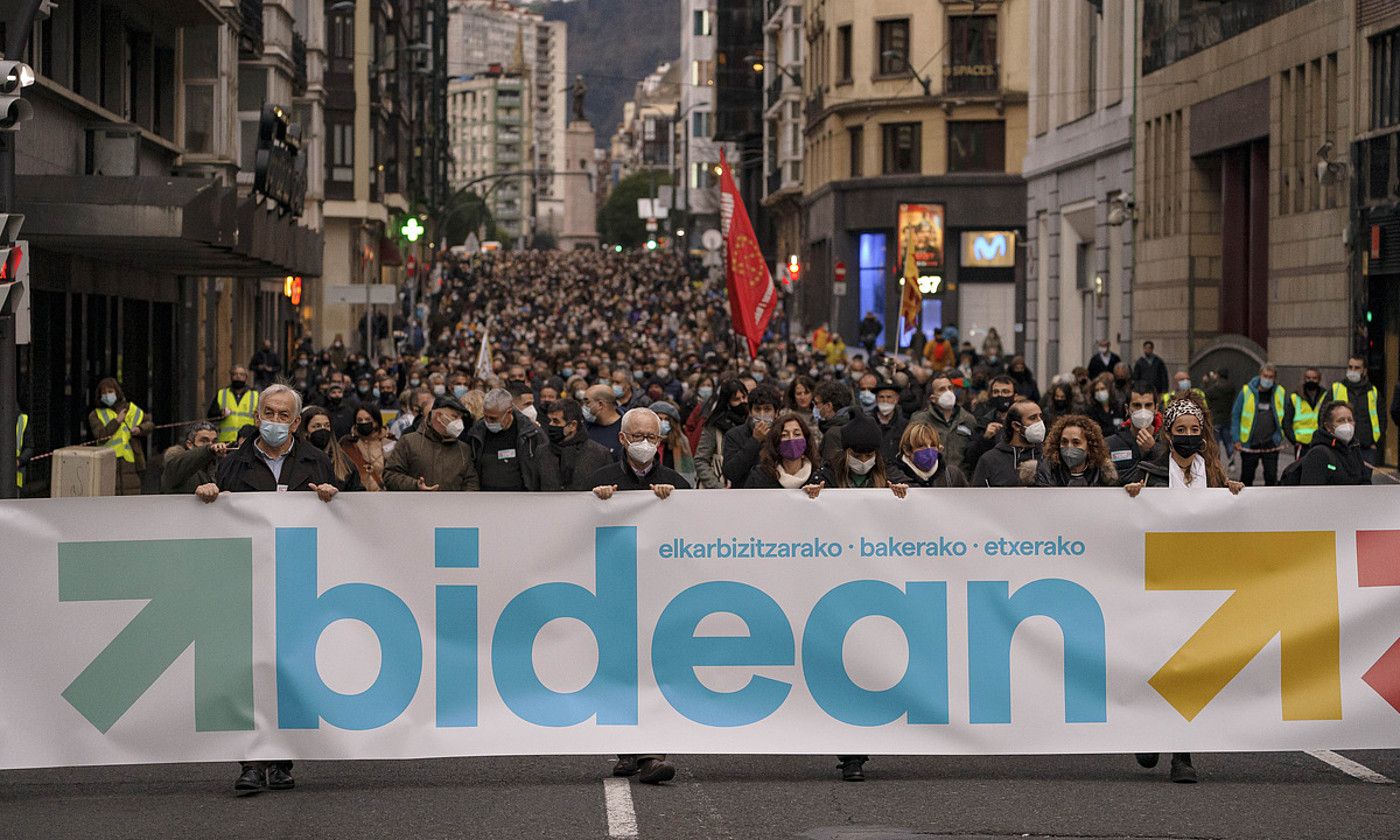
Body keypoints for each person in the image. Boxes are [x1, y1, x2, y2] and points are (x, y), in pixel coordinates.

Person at [193, 384, 340, 798]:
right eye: (268, 413)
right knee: (249, 667)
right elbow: (218, 512)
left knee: (290, 666)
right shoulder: (235, 463)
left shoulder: (315, 461)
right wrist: (208, 496)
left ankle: (281, 759)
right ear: (257, 416)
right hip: (248, 578)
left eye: (283, 415)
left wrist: (331, 499)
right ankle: (252, 762)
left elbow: (339, 524)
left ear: (296, 422)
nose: (275, 421)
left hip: (298, 579)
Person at [1123, 397, 1242, 784]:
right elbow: (1120, 518)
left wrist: (1234, 493)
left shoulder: (1214, 473)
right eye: (1181, 431)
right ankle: (1149, 730)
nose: (1189, 437)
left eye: (1195, 430)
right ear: (1168, 434)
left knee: (1189, 669)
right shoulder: (1149, 472)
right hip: (1156, 581)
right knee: (1155, 660)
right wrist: (1129, 498)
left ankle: (1182, 755)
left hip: (1198, 583)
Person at [585, 407, 687, 787]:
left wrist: (672, 503)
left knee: (655, 669)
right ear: (623, 439)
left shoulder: (676, 482)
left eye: (653, 437)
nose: (646, 444)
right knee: (620, 670)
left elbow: (691, 532)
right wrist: (596, 503)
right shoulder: (599, 481)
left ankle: (651, 755)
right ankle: (628, 750)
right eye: (639, 436)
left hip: (660, 595)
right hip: (614, 593)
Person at [804, 414, 908, 782]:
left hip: (875, 587)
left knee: (869, 663)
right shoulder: (828, 476)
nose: (862, 458)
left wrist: (903, 498)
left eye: (868, 453)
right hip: (836, 585)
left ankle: (859, 749)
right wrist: (812, 497)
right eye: (856, 452)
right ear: (845, 452)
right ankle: (851, 755)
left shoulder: (890, 476)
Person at [465, 388, 559, 492]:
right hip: (486, 499)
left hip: (522, 499)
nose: (488, 421)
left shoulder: (532, 433)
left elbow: (546, 469)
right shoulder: (477, 433)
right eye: (485, 416)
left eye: (493, 418)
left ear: (509, 412)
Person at [383, 395, 481, 491]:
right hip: (416, 505)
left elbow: (471, 482)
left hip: (452, 506)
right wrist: (415, 485)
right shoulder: (409, 442)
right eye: (454, 416)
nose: (459, 422)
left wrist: (462, 503)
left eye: (460, 418)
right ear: (438, 416)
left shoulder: (463, 449)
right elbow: (390, 476)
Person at [89, 377, 154, 496]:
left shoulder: (130, 409)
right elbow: (100, 435)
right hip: (107, 463)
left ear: (116, 392)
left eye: (110, 392)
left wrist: (140, 429)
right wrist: (117, 421)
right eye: (103, 393)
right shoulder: (95, 415)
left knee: (131, 498)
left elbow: (149, 423)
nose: (107, 395)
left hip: (132, 462)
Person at [1230, 363, 1287, 486]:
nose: (1267, 379)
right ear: (1260, 375)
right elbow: (1235, 415)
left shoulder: (1280, 392)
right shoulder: (1246, 391)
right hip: (1249, 443)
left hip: (1271, 444)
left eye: (1270, 377)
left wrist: (1279, 436)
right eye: (1265, 376)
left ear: (1274, 378)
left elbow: (1285, 415)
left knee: (1271, 477)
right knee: (1247, 477)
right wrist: (1236, 439)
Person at [909, 375, 978, 473]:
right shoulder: (920, 420)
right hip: (931, 481)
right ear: (932, 398)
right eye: (942, 389)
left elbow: (973, 455)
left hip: (961, 482)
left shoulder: (968, 419)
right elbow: (909, 452)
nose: (948, 392)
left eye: (950, 388)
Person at [742, 412, 827, 490]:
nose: (791, 439)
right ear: (776, 442)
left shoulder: (820, 475)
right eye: (784, 435)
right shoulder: (760, 476)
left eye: (797, 434)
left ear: (806, 439)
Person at [971, 398, 1043, 487]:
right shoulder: (989, 460)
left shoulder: (1047, 458)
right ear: (1016, 425)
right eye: (1033, 418)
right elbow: (978, 497)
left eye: (1040, 416)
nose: (1040, 422)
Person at [546, 398, 615, 491]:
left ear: (573, 425)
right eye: (550, 420)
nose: (550, 424)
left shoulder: (599, 454)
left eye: (556, 421)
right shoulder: (542, 452)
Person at [1296, 401, 1370, 486]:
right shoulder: (1318, 454)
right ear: (1328, 426)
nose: (1347, 424)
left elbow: (1365, 482)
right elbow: (1311, 492)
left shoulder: (1353, 448)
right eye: (1341, 421)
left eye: (1350, 420)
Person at [721, 384, 781, 488]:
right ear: (750, 412)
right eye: (757, 409)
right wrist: (755, 440)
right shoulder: (734, 435)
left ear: (776, 413)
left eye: (767, 410)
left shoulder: (783, 434)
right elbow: (731, 473)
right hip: (745, 495)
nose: (762, 415)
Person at [1035, 415, 1119, 487]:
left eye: (1076, 442)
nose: (1069, 447)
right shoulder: (1047, 470)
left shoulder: (1102, 473)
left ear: (1090, 446)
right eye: (1064, 442)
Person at [696, 379, 749, 488]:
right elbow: (701, 460)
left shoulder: (752, 423)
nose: (742, 402)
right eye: (736, 399)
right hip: (719, 488)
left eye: (744, 397)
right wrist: (717, 486)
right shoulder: (714, 425)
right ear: (727, 402)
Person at [1106, 383, 1163, 482]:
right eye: (1137, 405)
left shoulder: (1166, 442)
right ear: (1127, 409)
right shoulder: (1110, 444)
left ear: (1156, 409)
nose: (1143, 411)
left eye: (1148, 405)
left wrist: (1154, 448)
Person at [299, 407, 365, 492]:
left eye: (327, 426)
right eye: (317, 426)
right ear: (305, 431)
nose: (323, 429)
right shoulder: (296, 458)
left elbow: (357, 492)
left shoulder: (344, 461)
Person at [1334, 355, 1384, 465]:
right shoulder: (1336, 389)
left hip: (1366, 448)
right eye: (1350, 367)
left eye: (1357, 368)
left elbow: (1382, 419)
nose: (1352, 371)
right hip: (1341, 446)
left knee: (1365, 480)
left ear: (1364, 371)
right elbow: (1325, 415)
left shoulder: (1373, 392)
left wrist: (1375, 443)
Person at [964, 376, 1018, 475]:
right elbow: (970, 458)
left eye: (1006, 392)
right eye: (996, 392)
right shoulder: (982, 422)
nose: (1000, 395)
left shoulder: (1024, 421)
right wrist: (985, 438)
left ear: (1015, 396)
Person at [894, 422, 968, 488]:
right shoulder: (895, 477)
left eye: (933, 445)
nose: (929, 451)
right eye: (921, 446)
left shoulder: (952, 475)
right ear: (907, 450)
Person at [161, 422, 226, 495]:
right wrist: (207, 450)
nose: (212, 445)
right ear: (190, 444)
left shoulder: (220, 465)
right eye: (204, 441)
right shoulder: (178, 465)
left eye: (214, 441)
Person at [208, 365, 260, 443]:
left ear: (246, 377)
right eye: (235, 374)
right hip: (225, 440)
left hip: (246, 439)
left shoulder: (255, 395)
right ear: (231, 376)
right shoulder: (222, 393)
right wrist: (220, 413)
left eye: (241, 374)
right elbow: (210, 415)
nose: (238, 376)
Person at [650, 400, 696, 487]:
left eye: (666, 419)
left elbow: (687, 475)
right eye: (659, 418)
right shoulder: (645, 442)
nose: (663, 422)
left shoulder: (681, 442)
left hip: (673, 489)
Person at [814, 380, 858, 471]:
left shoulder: (833, 433)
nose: (815, 408)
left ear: (829, 406)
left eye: (817, 403)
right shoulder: (856, 422)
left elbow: (831, 470)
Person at [342, 407, 388, 491]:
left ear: (376, 422)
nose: (364, 422)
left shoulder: (389, 442)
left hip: (383, 496)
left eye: (367, 419)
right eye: (359, 420)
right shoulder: (348, 444)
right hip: (357, 496)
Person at [1283, 368, 1326, 455]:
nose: (1311, 380)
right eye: (1308, 378)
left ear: (1319, 379)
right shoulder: (1295, 397)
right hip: (1301, 445)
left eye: (1314, 378)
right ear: (1304, 379)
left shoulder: (1325, 396)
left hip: (1319, 443)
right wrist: (1294, 440)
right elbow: (1286, 422)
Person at [870, 380, 909, 464]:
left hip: (897, 471)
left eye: (889, 397)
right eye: (881, 397)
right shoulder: (868, 423)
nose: (885, 400)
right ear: (876, 400)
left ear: (896, 399)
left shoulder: (905, 425)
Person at [583, 384, 625, 460]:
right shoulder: (585, 427)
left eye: (587, 402)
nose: (584, 406)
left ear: (600, 404)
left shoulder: (626, 427)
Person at [1086, 373, 1123, 437]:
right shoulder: (1091, 410)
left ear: (1108, 390)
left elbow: (1121, 426)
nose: (1100, 392)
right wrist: (1114, 429)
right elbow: (1096, 431)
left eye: (1102, 389)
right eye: (1097, 390)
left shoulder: (1117, 406)